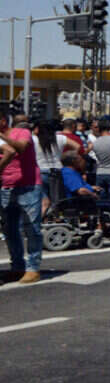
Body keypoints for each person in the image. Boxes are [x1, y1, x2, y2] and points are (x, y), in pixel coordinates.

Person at [1, 113, 44, 283]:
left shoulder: (21, 132)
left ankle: (33, 268)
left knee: (32, 228)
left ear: (3, 121)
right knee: (9, 229)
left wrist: (2, 137)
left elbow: (20, 148)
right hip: (6, 186)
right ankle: (17, 266)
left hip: (29, 185)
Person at [33, 120, 76, 214]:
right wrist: (63, 156)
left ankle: (42, 219)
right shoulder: (60, 138)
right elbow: (77, 146)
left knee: (43, 201)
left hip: (40, 171)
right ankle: (54, 218)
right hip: (56, 170)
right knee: (56, 201)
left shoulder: (34, 139)